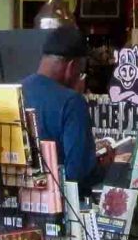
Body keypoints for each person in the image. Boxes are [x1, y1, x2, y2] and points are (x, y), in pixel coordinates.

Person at [21, 25, 116, 196]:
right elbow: (77, 173)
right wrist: (105, 165)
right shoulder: (72, 102)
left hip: (21, 200)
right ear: (71, 67)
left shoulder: (18, 90)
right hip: (61, 208)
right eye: (80, 71)